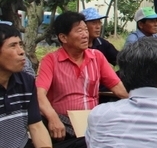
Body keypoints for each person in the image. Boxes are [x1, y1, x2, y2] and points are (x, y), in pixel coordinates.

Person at [0, 24, 90, 148]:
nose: (21, 52)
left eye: (21, 45)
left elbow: (35, 126)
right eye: (13, 46)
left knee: (90, 143)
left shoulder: (26, 81)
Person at [36, 12, 128, 140]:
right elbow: (39, 94)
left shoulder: (97, 57)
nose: (85, 35)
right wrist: (53, 118)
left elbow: (118, 88)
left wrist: (140, 102)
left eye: (85, 30)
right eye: (79, 31)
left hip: (91, 121)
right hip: (63, 123)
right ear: (63, 37)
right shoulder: (50, 60)